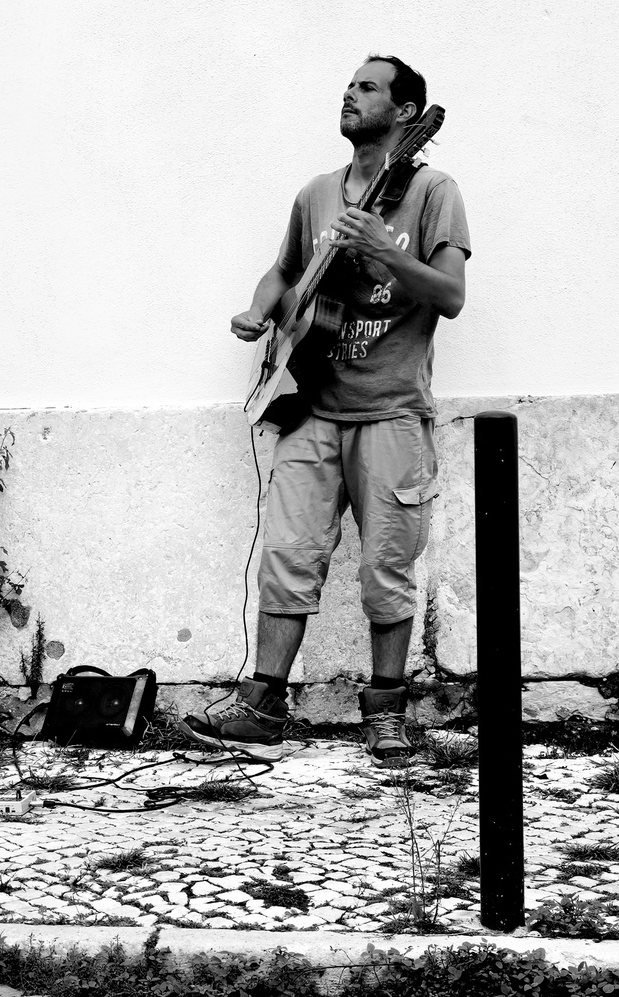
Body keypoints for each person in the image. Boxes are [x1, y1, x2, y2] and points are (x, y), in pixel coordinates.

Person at [185, 55, 470, 764]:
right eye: (348, 85)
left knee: (387, 565)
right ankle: (263, 705)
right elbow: (285, 271)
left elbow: (452, 296)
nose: (349, 94)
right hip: (311, 405)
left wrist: (384, 252)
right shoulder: (316, 194)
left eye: (368, 88)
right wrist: (259, 311)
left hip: (392, 412)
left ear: (407, 114)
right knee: (287, 555)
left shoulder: (433, 191)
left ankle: (385, 712)